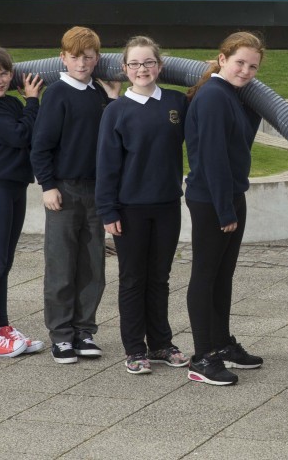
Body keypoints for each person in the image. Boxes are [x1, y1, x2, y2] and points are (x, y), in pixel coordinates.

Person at [96, 36, 189, 374]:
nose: (142, 69)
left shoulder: (177, 103)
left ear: (159, 66)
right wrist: (108, 210)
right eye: (134, 64)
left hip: (167, 206)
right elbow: (106, 165)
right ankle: (135, 349)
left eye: (148, 62)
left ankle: (161, 343)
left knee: (160, 278)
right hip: (129, 210)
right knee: (133, 279)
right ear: (124, 69)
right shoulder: (116, 112)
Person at [31, 26, 118, 364]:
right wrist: (48, 185)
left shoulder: (98, 93)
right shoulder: (57, 94)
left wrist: (111, 99)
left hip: (97, 191)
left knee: (93, 264)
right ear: (62, 58)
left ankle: (85, 330)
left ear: (97, 59)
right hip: (64, 190)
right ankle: (62, 335)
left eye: (89, 57)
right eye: (76, 57)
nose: (82, 63)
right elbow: (41, 146)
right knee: (61, 264)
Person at [184, 31, 266, 386]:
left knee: (222, 276)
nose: (246, 71)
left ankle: (221, 343)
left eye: (252, 67)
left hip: (230, 195)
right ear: (222, 59)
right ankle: (202, 357)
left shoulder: (228, 95)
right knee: (205, 276)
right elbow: (214, 157)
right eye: (240, 63)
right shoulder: (214, 97)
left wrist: (252, 100)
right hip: (212, 200)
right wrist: (224, 210)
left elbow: (241, 141)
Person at [0, 46, 44, 358]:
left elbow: (32, 130)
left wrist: (26, 105)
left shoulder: (11, 103)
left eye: (3, 73)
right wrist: (32, 101)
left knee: (6, 261)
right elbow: (20, 136)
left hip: (14, 185)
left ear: (11, 74)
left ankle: (0, 327)